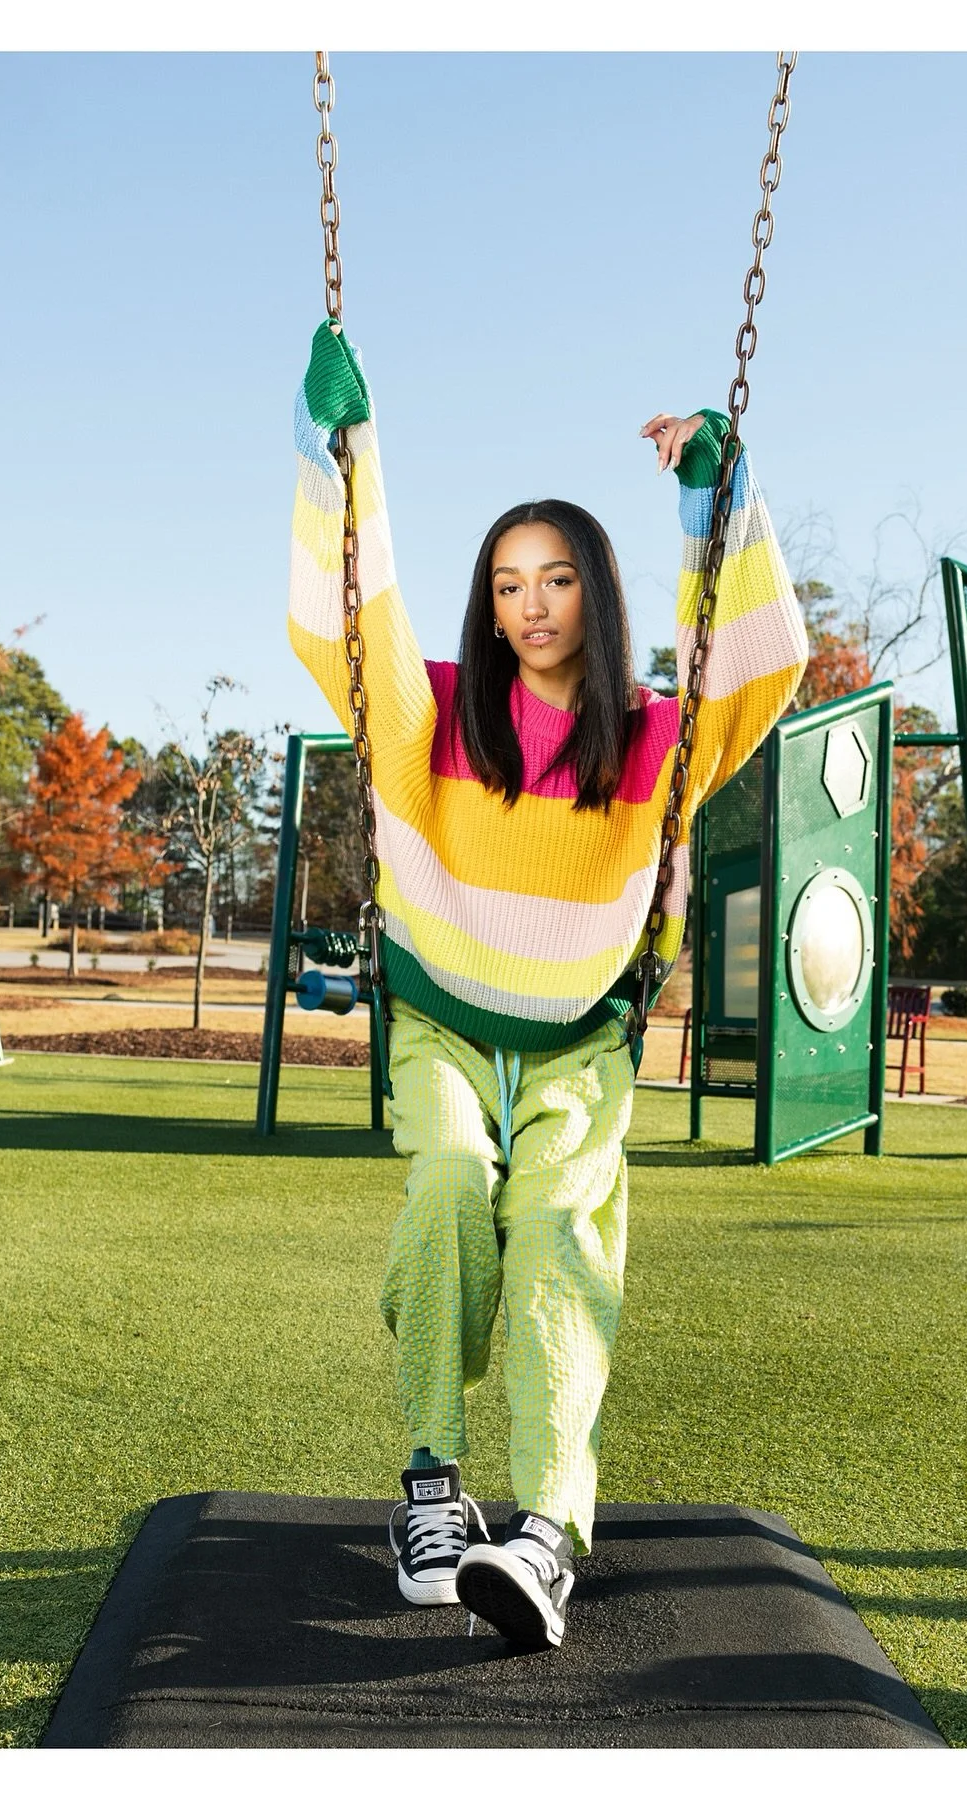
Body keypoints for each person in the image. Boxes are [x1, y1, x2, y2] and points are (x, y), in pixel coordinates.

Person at [288, 323, 806, 1650]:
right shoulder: (432, 716)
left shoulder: (648, 744)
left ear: (597, 595)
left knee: (558, 1245)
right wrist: (345, 451)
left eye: (559, 577)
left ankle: (549, 1532)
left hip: (581, 1049)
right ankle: (432, 1489)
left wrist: (716, 495)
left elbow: (747, 671)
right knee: (455, 1191)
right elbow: (357, 616)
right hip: (448, 1038)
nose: (531, 602)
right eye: (509, 581)